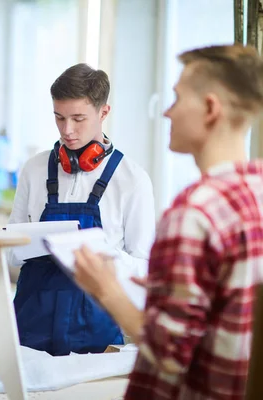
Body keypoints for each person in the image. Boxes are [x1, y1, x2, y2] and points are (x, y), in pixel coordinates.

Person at [74, 44, 263, 399]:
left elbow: (169, 354)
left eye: (177, 98)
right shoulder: (257, 191)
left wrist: (106, 290)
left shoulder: (193, 212)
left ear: (210, 108)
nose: (166, 112)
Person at [9, 63, 156, 356]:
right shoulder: (35, 169)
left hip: (96, 331)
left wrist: (101, 255)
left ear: (104, 113)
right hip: (29, 325)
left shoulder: (132, 180)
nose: (67, 130)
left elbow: (144, 268)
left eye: (78, 118)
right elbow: (11, 252)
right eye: (59, 118)